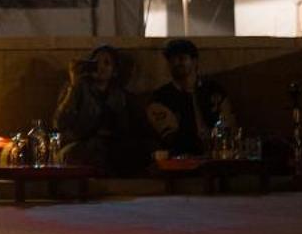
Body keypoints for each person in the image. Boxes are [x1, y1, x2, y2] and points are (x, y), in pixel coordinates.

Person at [53, 44, 145, 172]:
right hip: (81, 145)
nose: (100, 67)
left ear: (114, 71)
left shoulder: (119, 95)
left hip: (110, 147)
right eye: (95, 62)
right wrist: (74, 86)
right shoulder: (76, 88)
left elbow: (127, 128)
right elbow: (59, 123)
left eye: (106, 63)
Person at [145, 38, 236, 157]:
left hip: (217, 155)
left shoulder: (214, 90)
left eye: (182, 58)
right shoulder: (161, 97)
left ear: (194, 61)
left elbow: (229, 125)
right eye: (172, 60)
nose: (177, 63)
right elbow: (171, 138)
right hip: (181, 159)